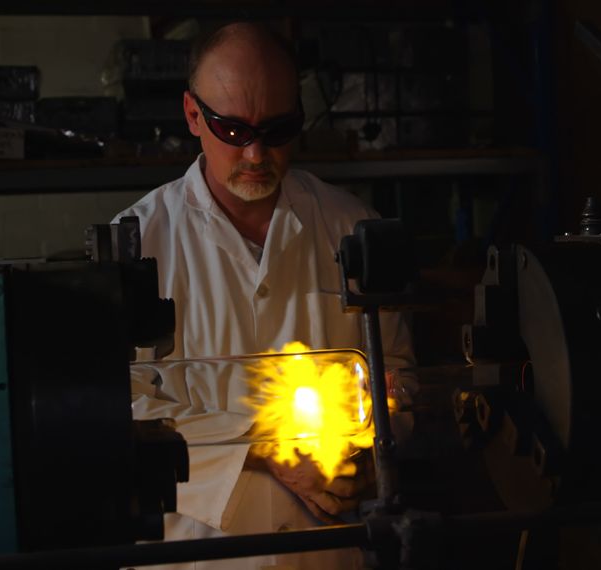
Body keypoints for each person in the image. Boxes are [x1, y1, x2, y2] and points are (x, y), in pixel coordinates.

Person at [113, 22, 413, 569]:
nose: (256, 153)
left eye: (278, 130)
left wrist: (373, 448)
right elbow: (113, 405)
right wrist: (259, 445)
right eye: (233, 131)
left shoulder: (350, 224)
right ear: (192, 116)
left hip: (327, 550)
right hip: (196, 554)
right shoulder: (136, 242)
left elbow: (397, 374)